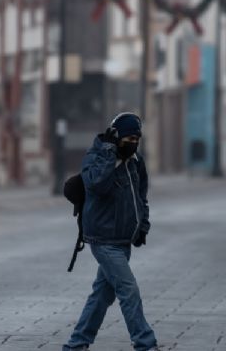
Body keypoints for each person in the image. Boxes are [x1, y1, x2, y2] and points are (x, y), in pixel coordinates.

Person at [63, 112, 159, 351]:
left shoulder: (136, 161)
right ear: (115, 136)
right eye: (128, 138)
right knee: (128, 290)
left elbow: (141, 197)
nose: (133, 143)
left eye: (137, 138)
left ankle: (76, 344)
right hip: (103, 239)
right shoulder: (96, 156)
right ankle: (145, 343)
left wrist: (142, 225)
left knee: (102, 296)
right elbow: (96, 185)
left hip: (124, 239)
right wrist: (109, 152)